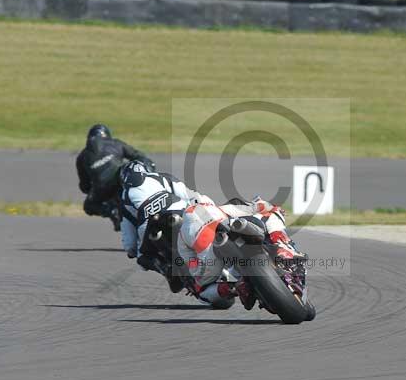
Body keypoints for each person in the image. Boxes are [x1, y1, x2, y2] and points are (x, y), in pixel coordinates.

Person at [177, 197, 303, 309]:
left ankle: (232, 288)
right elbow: (258, 207)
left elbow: (191, 263)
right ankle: (282, 245)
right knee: (270, 213)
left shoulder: (181, 236)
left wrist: (200, 276)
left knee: (201, 290)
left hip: (213, 254)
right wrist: (270, 207)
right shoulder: (220, 209)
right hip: (234, 228)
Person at [118, 159, 211, 291]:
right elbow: (189, 195)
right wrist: (201, 207)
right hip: (178, 209)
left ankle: (166, 269)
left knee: (142, 257)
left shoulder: (124, 197)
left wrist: (131, 251)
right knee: (203, 217)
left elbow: (129, 239)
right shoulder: (161, 177)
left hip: (149, 226)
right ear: (147, 170)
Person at [75, 124, 154, 231]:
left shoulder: (81, 157)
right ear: (107, 135)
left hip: (102, 189)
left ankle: (111, 211)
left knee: (88, 206)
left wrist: (94, 188)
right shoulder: (116, 143)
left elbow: (84, 186)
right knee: (145, 166)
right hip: (122, 179)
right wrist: (146, 168)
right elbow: (138, 156)